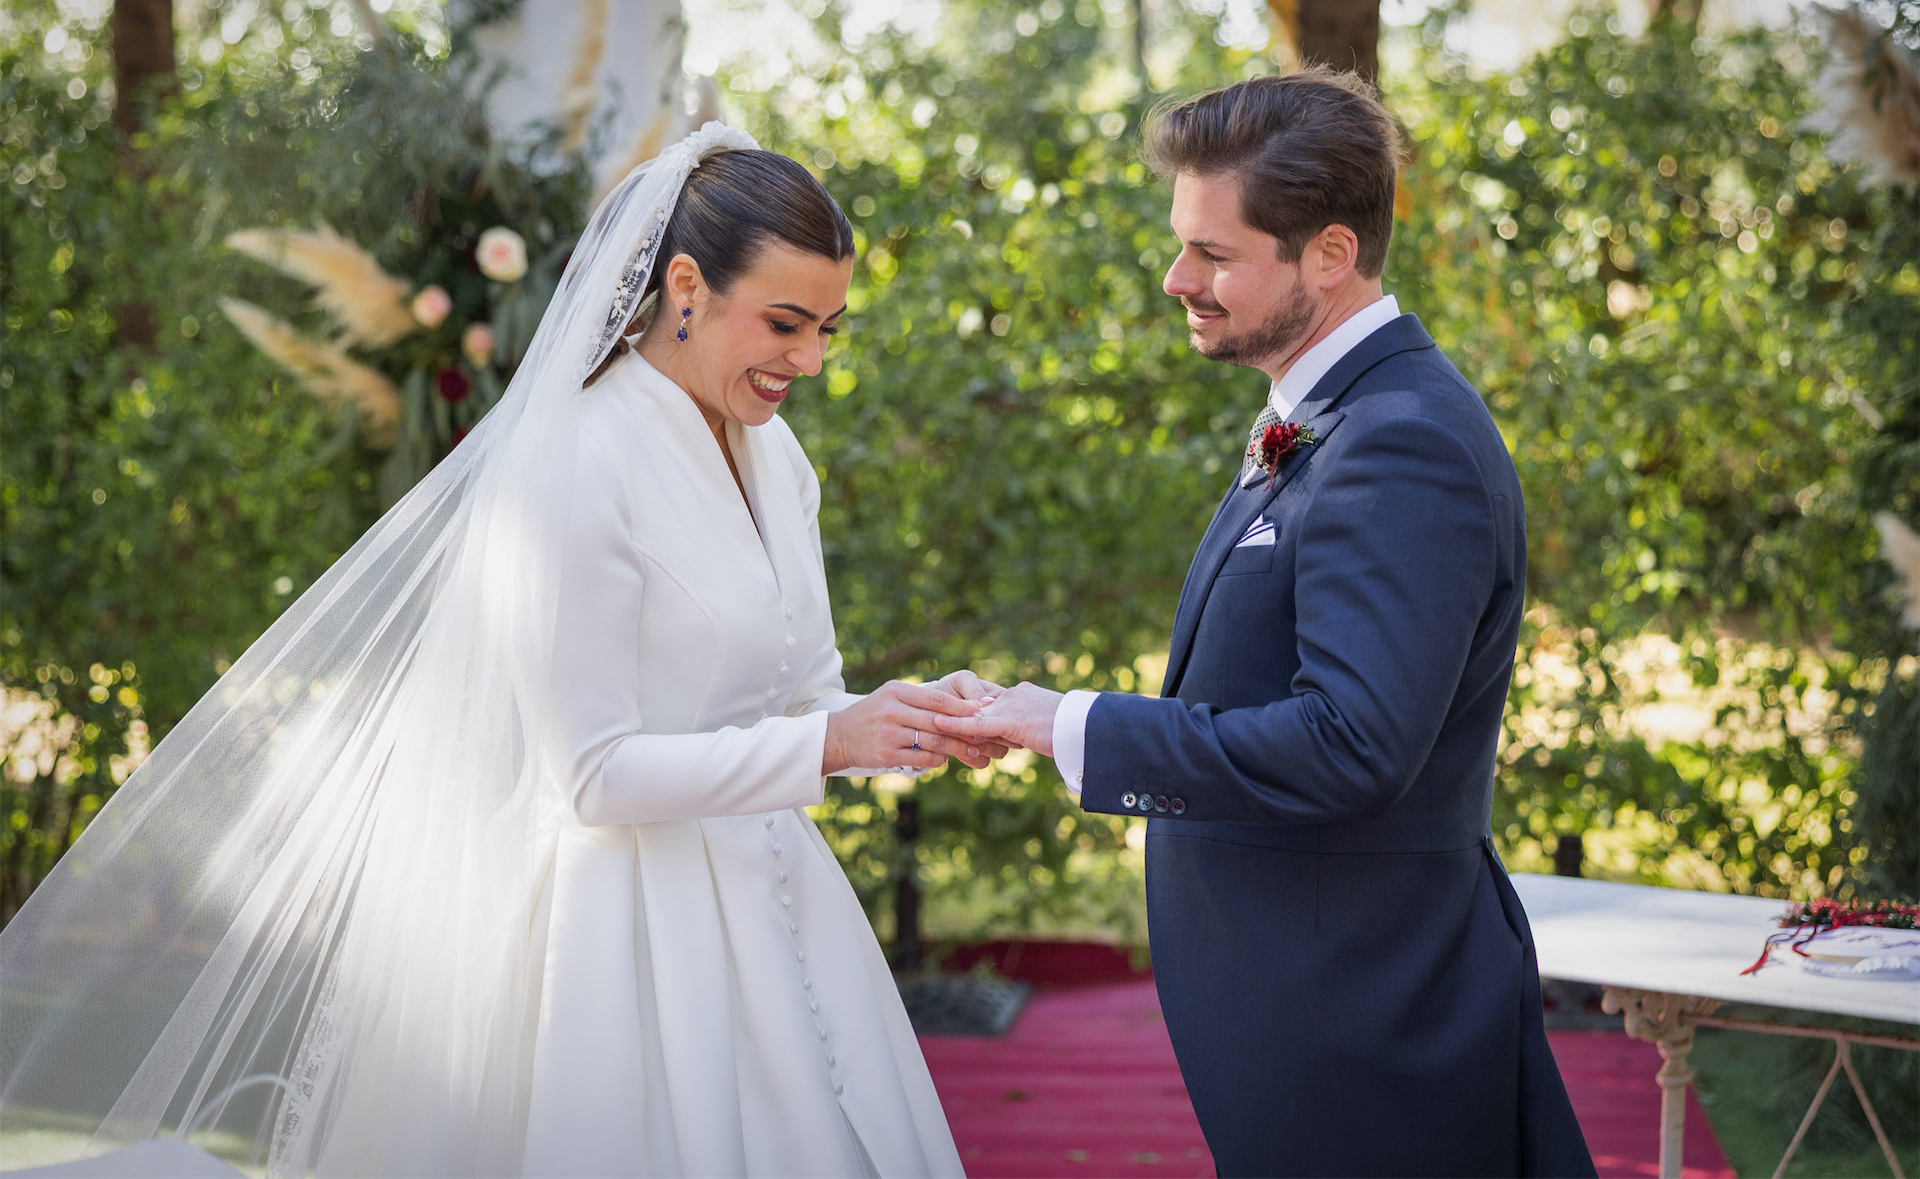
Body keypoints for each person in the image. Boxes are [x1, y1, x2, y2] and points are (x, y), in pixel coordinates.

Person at [0, 126, 983, 1177]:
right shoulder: (582, 460)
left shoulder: (777, 457)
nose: (811, 360)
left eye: (829, 328)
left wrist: (905, 720)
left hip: (784, 910)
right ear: (686, 286)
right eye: (785, 323)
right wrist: (832, 743)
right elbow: (592, 774)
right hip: (630, 938)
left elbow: (805, 693)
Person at [938, 72, 1598, 1177]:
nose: (1176, 278)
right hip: (1311, 1010)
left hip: (1367, 1024)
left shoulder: (1402, 440)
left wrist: (1068, 723)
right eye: (1180, 245)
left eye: (1212, 252)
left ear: (1330, 254)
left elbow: (1352, 741)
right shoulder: (1332, 416)